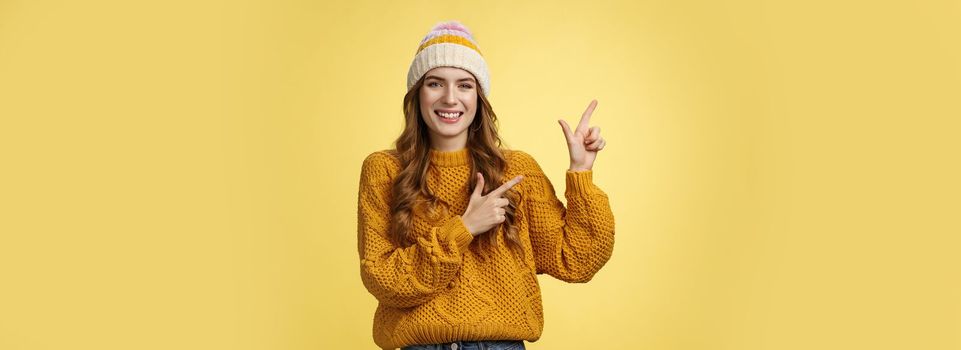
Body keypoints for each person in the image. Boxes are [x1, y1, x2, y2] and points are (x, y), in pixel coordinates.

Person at [357, 20, 615, 350]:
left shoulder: (517, 170)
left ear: (479, 97)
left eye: (464, 85)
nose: (450, 98)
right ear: (417, 93)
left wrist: (581, 171)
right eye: (435, 83)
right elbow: (383, 279)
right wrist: (464, 227)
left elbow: (577, 260)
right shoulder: (384, 170)